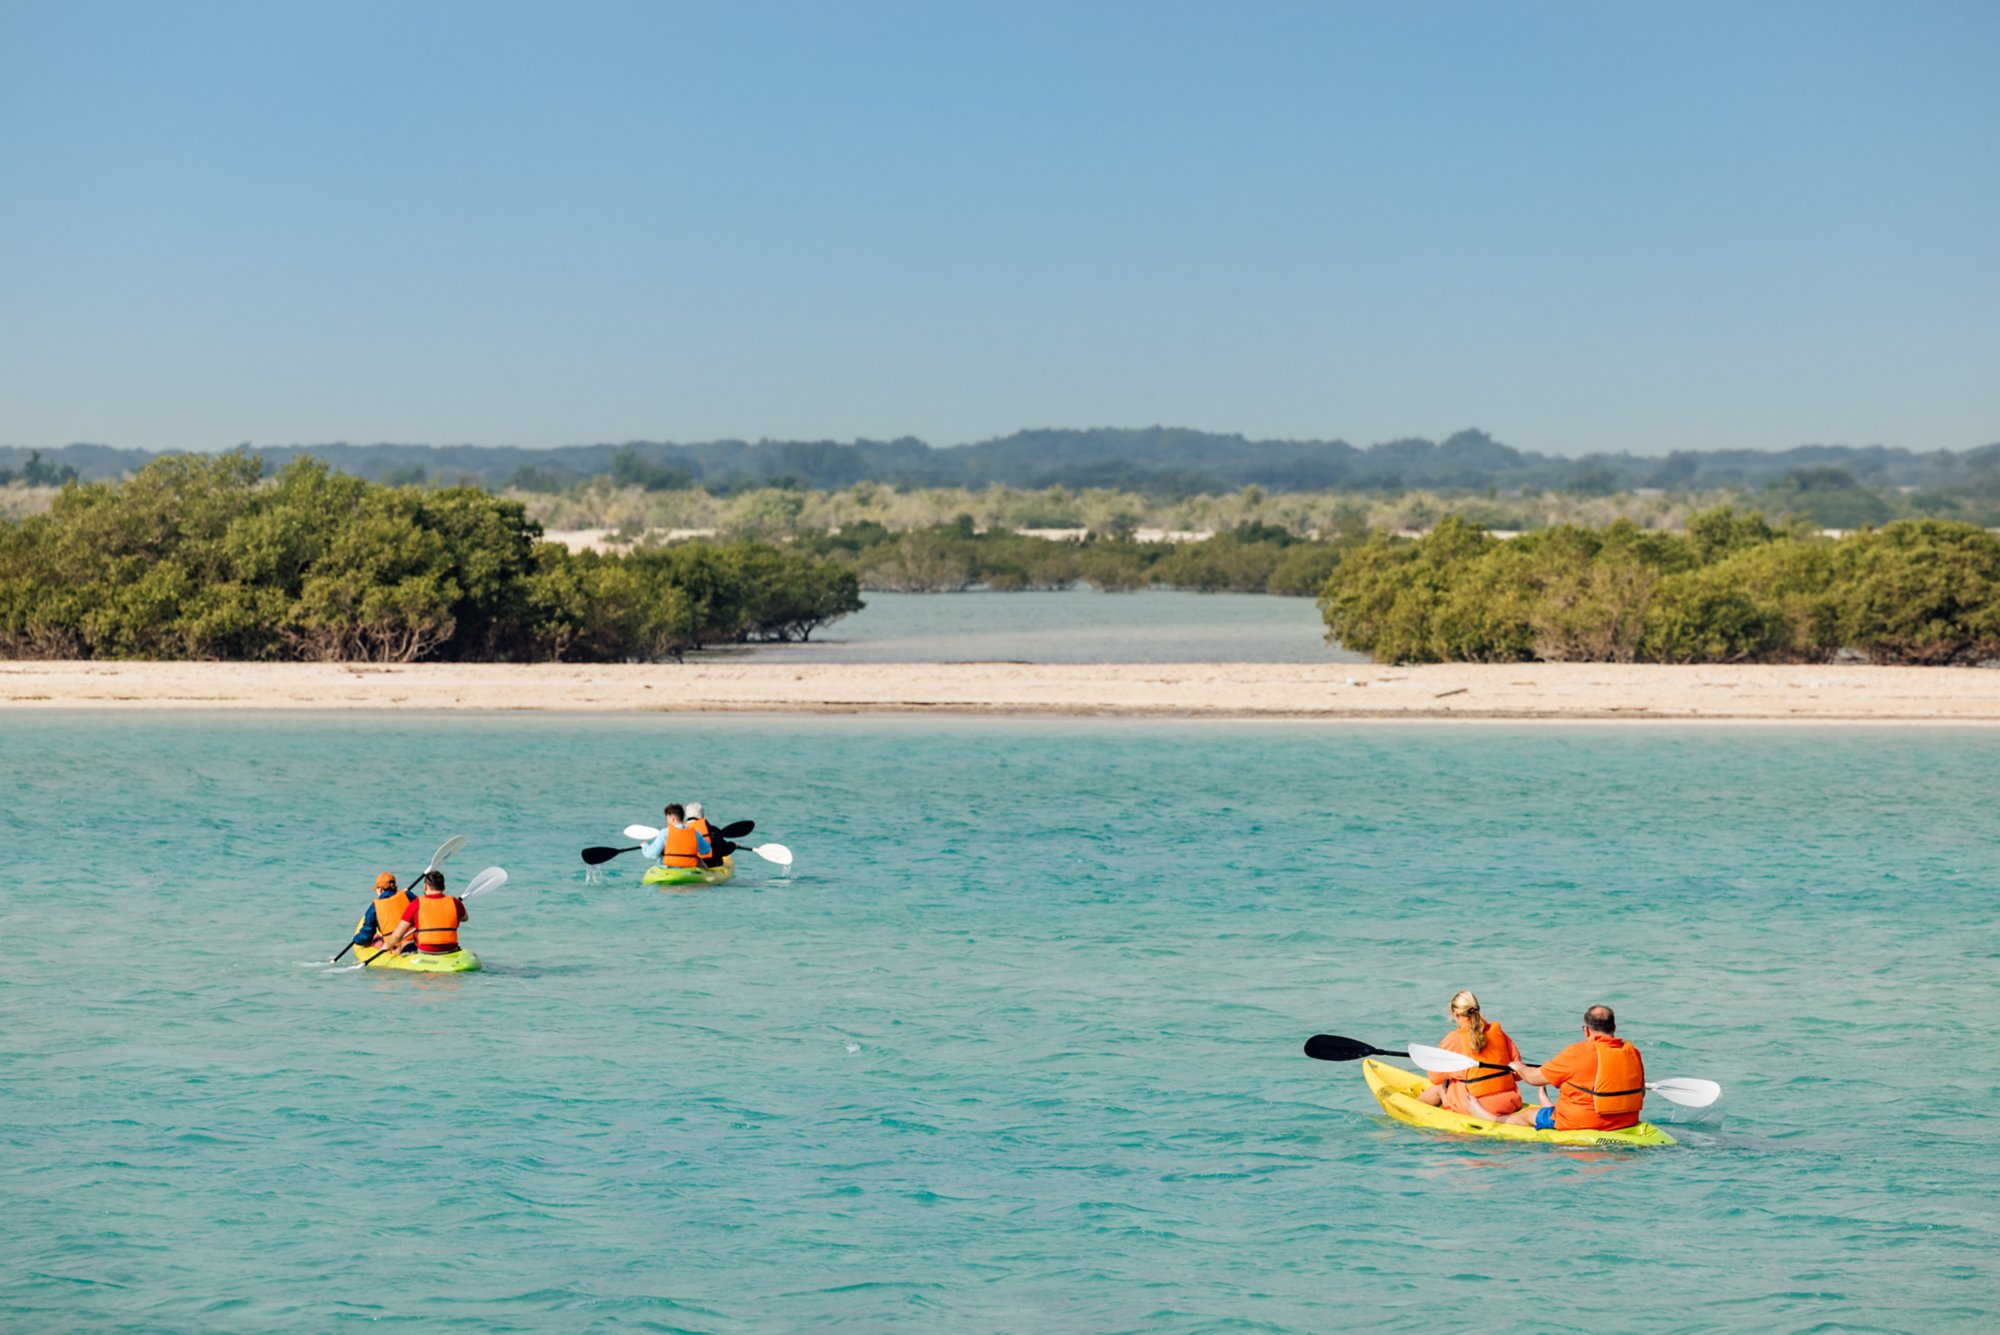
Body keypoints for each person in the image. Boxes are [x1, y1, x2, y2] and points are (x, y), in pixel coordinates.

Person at [1503, 1005, 1647, 1131]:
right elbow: (1642, 1092)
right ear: (1614, 1028)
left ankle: (1491, 1121)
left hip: (1580, 1122)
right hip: (1626, 1121)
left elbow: (1533, 1078)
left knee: (1527, 1115)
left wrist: (1517, 1066)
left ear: (1586, 1030)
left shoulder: (1577, 1052)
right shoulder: (1633, 1052)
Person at [1416, 989, 1523, 1117]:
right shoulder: (1499, 1033)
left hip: (1474, 1106)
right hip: (1511, 1103)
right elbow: (1518, 1074)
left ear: (1456, 1014)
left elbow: (1434, 1078)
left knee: (1442, 1086)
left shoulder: (1453, 1039)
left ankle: (1415, 1106)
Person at [379, 869, 468, 955]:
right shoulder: (454, 902)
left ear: (425, 887)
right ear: (443, 887)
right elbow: (465, 918)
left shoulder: (416, 903)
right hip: (450, 949)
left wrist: (386, 946)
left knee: (403, 944)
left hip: (426, 950)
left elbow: (398, 935)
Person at [642, 803, 710, 870]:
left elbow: (652, 854)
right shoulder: (695, 833)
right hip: (690, 869)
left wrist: (645, 846)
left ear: (672, 819)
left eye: (667, 819)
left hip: (668, 869)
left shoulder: (665, 832)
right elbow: (706, 850)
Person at [351, 872, 409, 948]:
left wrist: (356, 938)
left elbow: (366, 936)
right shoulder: (407, 895)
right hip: (413, 939)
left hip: (393, 944)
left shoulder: (374, 907)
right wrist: (407, 893)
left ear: (380, 889)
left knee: (375, 940)